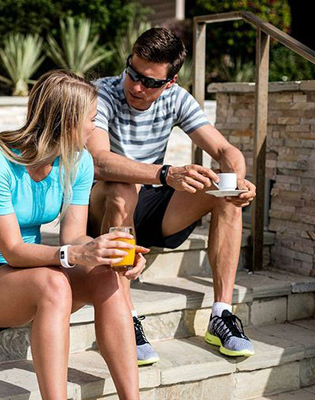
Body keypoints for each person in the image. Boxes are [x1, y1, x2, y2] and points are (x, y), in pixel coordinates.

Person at [0, 70, 147, 400]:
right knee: (54, 283)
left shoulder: (79, 161)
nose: (94, 128)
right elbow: (13, 250)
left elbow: (73, 237)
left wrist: (107, 251)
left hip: (36, 269)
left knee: (107, 275)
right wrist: (76, 255)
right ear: (66, 121)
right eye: (91, 119)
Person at [87, 28, 257, 365]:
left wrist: (237, 180)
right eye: (133, 73)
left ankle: (221, 313)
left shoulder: (177, 98)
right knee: (122, 188)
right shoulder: (101, 93)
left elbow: (225, 150)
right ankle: (123, 316)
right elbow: (99, 161)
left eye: (150, 82)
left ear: (170, 82)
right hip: (103, 207)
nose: (137, 86)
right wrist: (166, 174)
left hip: (152, 207)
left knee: (223, 191)